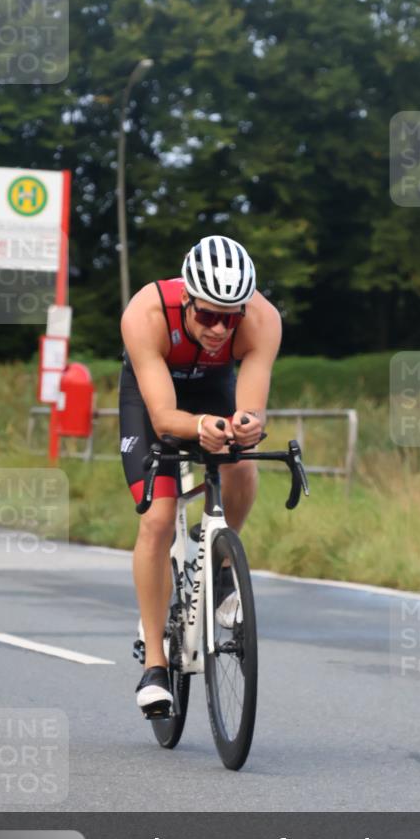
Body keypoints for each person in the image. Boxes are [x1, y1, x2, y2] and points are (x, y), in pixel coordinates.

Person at [119, 236, 282, 716]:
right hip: (153, 400)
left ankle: (221, 569)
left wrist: (243, 426)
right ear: (186, 299)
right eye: (207, 315)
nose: (218, 329)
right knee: (158, 516)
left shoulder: (263, 320)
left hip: (213, 386)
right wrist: (197, 428)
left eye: (229, 318)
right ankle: (153, 664)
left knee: (243, 465)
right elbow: (166, 416)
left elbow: (250, 410)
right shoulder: (146, 314)